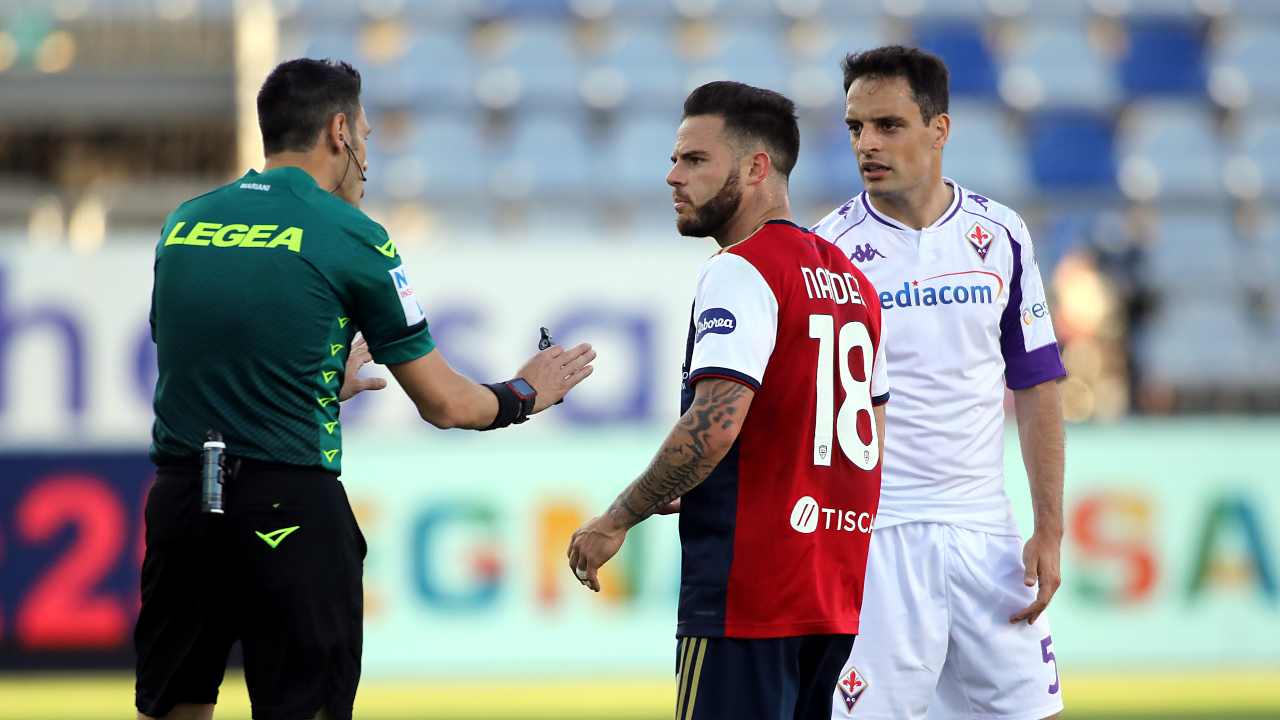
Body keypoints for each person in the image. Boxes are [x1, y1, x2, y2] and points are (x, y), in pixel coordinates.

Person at [135, 58, 595, 720]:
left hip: (181, 504)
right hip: (286, 504)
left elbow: (193, 357)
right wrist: (527, 391)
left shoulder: (185, 223)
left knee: (177, 705)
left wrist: (310, 384)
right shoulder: (352, 235)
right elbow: (446, 403)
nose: (369, 162)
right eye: (369, 139)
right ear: (340, 131)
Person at [567, 81, 889, 720]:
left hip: (751, 596)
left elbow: (713, 424)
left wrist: (616, 519)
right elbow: (866, 428)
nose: (672, 177)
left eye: (693, 160)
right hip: (830, 592)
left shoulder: (741, 268)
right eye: (674, 159)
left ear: (755, 168)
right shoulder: (853, 281)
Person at [810, 46, 1066, 720]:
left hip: (987, 535)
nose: (867, 143)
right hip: (877, 536)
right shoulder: (827, 252)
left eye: (888, 125)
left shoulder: (1001, 235)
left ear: (939, 129)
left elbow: (1039, 384)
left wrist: (1050, 527)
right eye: (855, 127)